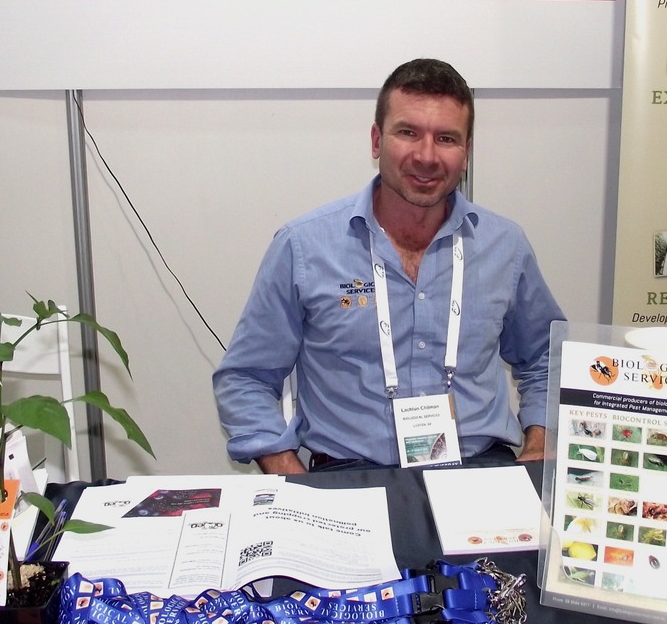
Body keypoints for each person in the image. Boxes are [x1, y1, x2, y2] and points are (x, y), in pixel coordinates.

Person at [213, 58, 565, 474]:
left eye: (446, 139)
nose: (427, 156)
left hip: (478, 467)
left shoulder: (504, 246)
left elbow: (547, 355)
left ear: (466, 153)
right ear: (377, 141)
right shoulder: (303, 247)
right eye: (408, 133)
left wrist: (540, 440)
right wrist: (292, 475)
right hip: (351, 473)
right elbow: (245, 378)